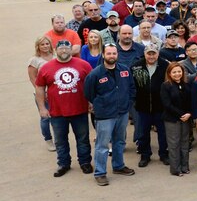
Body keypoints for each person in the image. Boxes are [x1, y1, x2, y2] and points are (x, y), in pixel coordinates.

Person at [34, 40, 93, 177]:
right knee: (60, 140)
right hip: (57, 112)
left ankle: (85, 162)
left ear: (71, 49)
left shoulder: (83, 65)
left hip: (80, 110)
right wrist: (42, 108)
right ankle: (63, 164)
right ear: (56, 50)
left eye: (67, 48)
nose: (64, 51)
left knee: (83, 139)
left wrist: (91, 101)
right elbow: (40, 88)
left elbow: (92, 84)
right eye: (61, 48)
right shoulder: (46, 68)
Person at [84, 44, 137, 186]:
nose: (112, 56)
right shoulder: (95, 74)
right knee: (102, 145)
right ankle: (100, 173)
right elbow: (89, 93)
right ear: (103, 55)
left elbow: (132, 87)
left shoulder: (124, 70)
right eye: (109, 53)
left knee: (119, 141)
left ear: (117, 54)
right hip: (105, 115)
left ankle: (118, 166)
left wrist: (127, 102)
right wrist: (101, 104)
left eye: (114, 53)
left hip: (122, 112)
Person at [132, 43, 170, 168]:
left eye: (154, 53)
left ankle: (164, 154)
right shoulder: (136, 66)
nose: (151, 56)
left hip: (161, 107)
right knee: (143, 133)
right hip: (142, 106)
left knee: (163, 133)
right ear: (144, 54)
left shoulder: (165, 65)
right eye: (149, 53)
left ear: (158, 53)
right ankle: (145, 155)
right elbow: (131, 85)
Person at [160, 63, 192, 176]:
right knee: (174, 144)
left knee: (185, 143)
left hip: (186, 119)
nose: (177, 74)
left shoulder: (187, 85)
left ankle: (185, 166)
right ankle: (175, 169)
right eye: (174, 72)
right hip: (172, 119)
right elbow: (167, 104)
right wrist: (182, 114)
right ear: (169, 73)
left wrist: (189, 113)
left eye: (179, 71)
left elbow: (191, 101)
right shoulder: (166, 86)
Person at [28, 36, 55, 151]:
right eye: (42, 44)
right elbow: (33, 78)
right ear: (38, 46)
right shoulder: (34, 60)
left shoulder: (56, 57)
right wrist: (43, 93)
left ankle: (59, 139)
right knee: (45, 118)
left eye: (47, 44)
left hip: (56, 92)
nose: (45, 46)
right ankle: (48, 140)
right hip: (42, 93)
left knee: (57, 117)